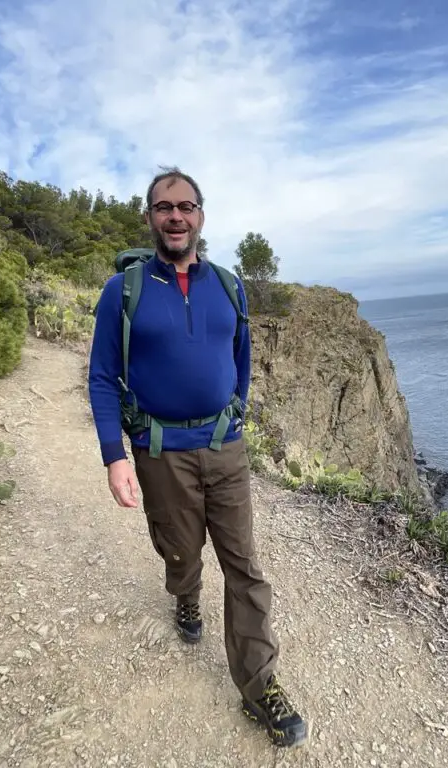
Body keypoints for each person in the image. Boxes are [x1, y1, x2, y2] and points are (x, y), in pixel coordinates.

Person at [86, 167, 308, 749]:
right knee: (181, 552)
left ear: (201, 216)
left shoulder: (229, 285)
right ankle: (185, 596)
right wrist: (116, 456)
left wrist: (234, 409)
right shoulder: (124, 290)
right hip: (160, 454)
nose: (176, 216)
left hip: (225, 449)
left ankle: (259, 685)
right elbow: (102, 377)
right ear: (150, 217)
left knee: (245, 566)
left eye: (187, 206)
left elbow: (242, 357)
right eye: (165, 207)